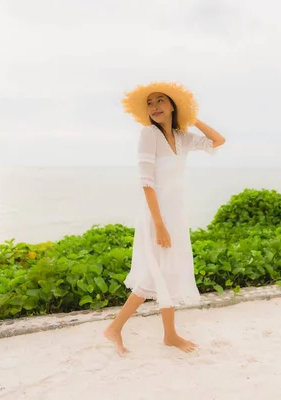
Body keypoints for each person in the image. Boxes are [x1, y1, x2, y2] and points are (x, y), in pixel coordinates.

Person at [104, 81, 226, 355]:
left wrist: (193, 118)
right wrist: (159, 224)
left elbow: (218, 141)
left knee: (168, 273)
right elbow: (147, 183)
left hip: (175, 215)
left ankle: (169, 335)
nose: (155, 107)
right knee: (152, 274)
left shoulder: (182, 137)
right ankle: (115, 328)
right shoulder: (149, 134)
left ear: (172, 105)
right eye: (150, 103)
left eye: (160, 100)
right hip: (156, 215)